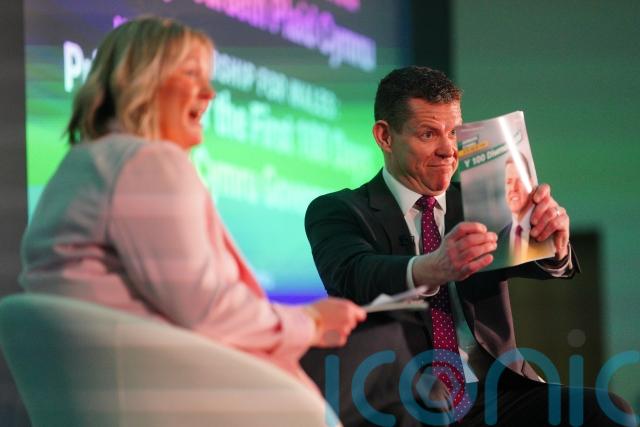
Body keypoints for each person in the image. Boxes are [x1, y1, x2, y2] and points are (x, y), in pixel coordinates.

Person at [19, 17, 365, 394]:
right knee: (386, 359)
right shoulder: (148, 162)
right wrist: (311, 322)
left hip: (122, 385)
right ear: (140, 81)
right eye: (190, 74)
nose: (209, 93)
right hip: (172, 392)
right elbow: (205, 308)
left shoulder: (83, 163)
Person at [304, 66, 635, 425]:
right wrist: (433, 267)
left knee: (608, 411)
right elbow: (354, 275)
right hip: (408, 394)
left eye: (454, 133)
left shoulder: (480, 200)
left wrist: (552, 241)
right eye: (428, 134)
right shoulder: (339, 210)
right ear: (385, 136)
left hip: (496, 391)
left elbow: (543, 262)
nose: (448, 149)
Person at [496, 151, 554, 266]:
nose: (513, 188)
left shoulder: (547, 230)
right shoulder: (498, 241)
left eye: (520, 180)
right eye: (508, 182)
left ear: (531, 183)